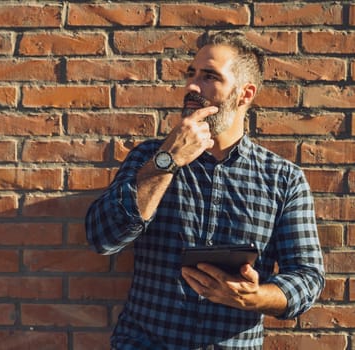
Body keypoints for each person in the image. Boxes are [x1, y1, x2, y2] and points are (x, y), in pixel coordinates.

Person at [85, 31, 324, 350]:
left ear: (245, 93)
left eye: (210, 76)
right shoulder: (149, 157)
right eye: (191, 74)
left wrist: (255, 297)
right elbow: (103, 237)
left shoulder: (283, 179)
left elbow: (307, 277)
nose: (192, 87)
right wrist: (168, 160)